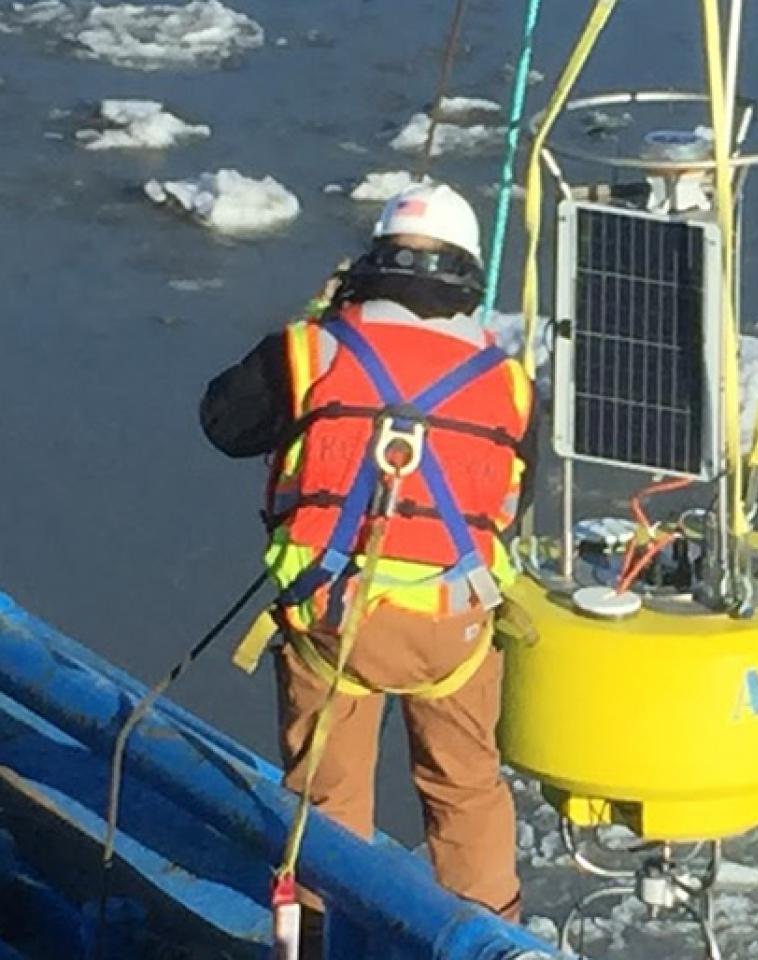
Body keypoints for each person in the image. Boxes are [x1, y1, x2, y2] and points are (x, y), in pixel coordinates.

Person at [199, 183, 532, 922]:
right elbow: (511, 498)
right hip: (452, 630)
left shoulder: (310, 348)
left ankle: (322, 931)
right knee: (465, 790)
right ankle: (492, 937)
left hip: (331, 615)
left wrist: (320, 318)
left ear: (372, 261)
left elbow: (224, 423)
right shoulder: (507, 381)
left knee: (328, 795)